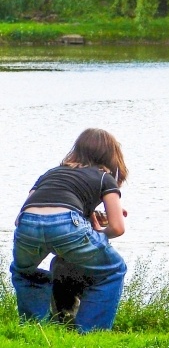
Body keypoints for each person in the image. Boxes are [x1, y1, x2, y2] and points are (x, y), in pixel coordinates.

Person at [9, 128, 129, 333]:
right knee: (113, 270)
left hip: (27, 223)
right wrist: (99, 234)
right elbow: (117, 227)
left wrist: (90, 224)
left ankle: (34, 330)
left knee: (24, 272)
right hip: (67, 224)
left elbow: (27, 214)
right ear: (110, 157)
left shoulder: (50, 174)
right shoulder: (103, 177)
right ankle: (90, 333)